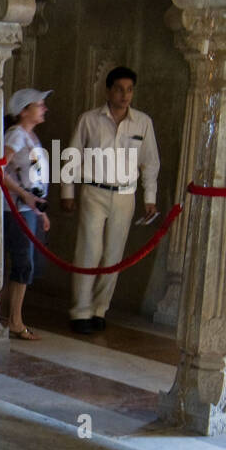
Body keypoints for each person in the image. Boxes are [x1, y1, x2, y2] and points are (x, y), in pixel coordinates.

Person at [61, 66, 160, 334]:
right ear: (108, 90)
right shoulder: (89, 119)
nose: (124, 95)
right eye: (119, 89)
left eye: (129, 90)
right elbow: (72, 155)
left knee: (113, 255)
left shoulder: (142, 122)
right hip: (94, 191)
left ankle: (99, 309)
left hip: (126, 195)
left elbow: (150, 162)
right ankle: (80, 310)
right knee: (89, 251)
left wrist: (149, 197)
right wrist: (67, 192)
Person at [0, 89, 54, 341]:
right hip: (16, 209)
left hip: (27, 209)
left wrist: (39, 210)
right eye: (39, 105)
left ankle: (12, 317)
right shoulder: (16, 135)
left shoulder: (30, 136)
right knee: (22, 262)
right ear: (24, 110)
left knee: (28, 263)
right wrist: (24, 195)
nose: (44, 108)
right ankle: (14, 320)